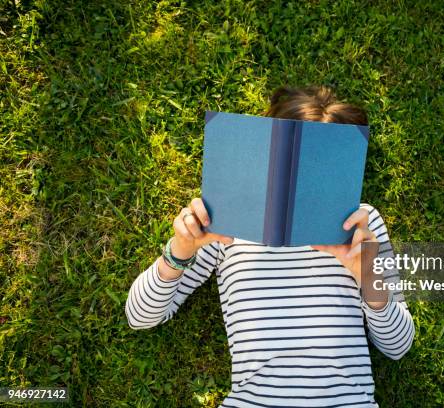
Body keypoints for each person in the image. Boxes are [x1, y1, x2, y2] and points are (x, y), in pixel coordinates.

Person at [124, 85, 415, 407]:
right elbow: (140, 317)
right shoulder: (225, 220)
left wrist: (368, 278)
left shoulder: (360, 224)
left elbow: (397, 347)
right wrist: (179, 252)